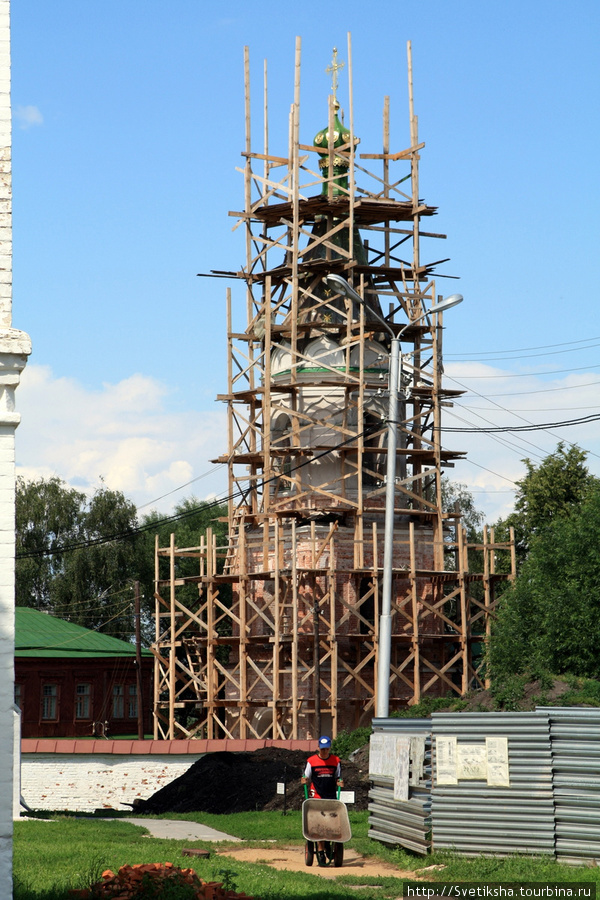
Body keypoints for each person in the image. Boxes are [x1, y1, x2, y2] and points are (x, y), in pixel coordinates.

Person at [302, 736, 343, 867]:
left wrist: (340, 782)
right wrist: (304, 781)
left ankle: (328, 845)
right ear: (318, 747)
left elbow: (338, 776)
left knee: (330, 824)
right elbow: (306, 777)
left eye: (326, 749)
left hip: (330, 796)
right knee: (319, 825)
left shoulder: (335, 761)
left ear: (329, 748)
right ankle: (320, 850)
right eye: (322, 749)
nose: (324, 751)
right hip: (317, 795)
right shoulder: (311, 761)